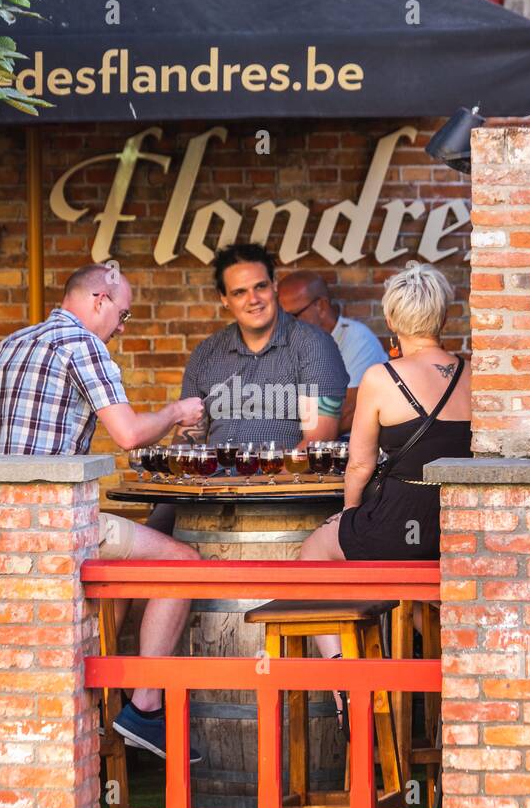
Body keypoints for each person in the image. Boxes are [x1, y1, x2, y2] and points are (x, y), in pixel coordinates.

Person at [0, 262, 207, 763]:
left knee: (118, 578)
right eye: (124, 314)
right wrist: (178, 413)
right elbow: (130, 434)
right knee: (183, 564)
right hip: (55, 524)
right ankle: (144, 708)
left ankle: (96, 701)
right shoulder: (85, 346)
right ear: (99, 299)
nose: (122, 326)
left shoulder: (9, 345)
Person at [297, 262, 471, 729]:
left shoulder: (381, 377)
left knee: (314, 553)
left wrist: (350, 518)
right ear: (444, 317)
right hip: (451, 530)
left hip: (395, 524)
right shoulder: (471, 375)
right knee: (413, 591)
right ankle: (438, 705)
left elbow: (359, 464)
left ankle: (345, 681)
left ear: (391, 321)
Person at [172, 243, 349, 450]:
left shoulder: (314, 345)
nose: (253, 299)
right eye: (239, 292)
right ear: (224, 299)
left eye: (260, 286)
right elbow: (188, 439)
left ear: (274, 285)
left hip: (284, 480)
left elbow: (317, 444)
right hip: (214, 479)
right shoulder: (205, 353)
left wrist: (262, 480)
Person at [277, 270, 389, 435]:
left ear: (321, 306)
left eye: (293, 315)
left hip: (345, 449)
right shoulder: (288, 343)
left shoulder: (357, 339)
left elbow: (348, 413)